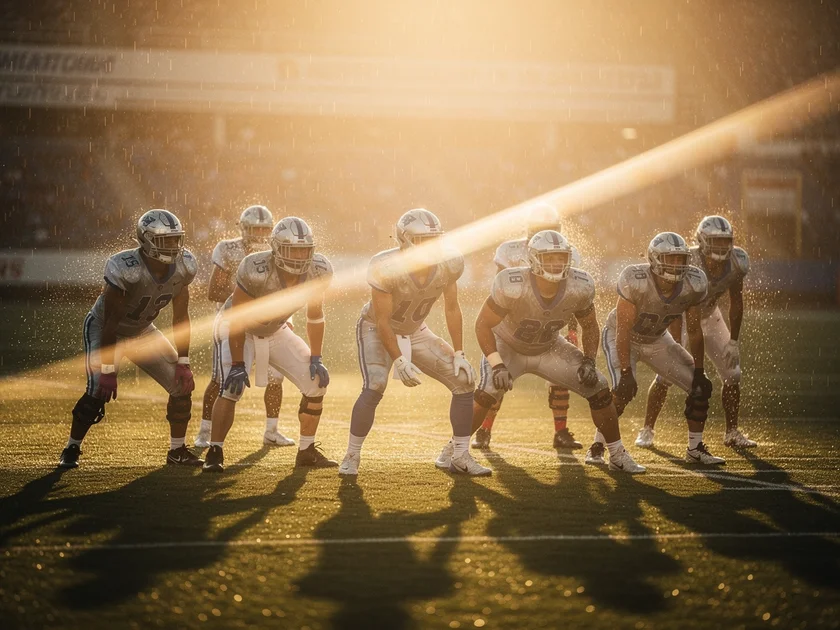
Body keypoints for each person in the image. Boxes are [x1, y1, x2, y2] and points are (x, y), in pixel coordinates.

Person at [472, 230, 645, 474]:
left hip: (548, 347)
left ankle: (616, 453)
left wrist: (588, 360)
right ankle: (455, 451)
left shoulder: (579, 285)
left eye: (560, 257)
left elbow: (590, 326)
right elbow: (483, 324)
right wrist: (497, 363)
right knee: (488, 390)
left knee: (600, 387)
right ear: (533, 259)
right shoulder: (512, 282)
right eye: (549, 258)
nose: (556, 263)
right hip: (508, 345)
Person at [339, 209, 482, 476]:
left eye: (433, 239)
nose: (430, 246)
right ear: (405, 241)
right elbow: (383, 321)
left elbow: (452, 308)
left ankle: (460, 456)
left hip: (415, 329)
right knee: (376, 385)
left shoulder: (449, 262)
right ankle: (351, 454)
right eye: (422, 240)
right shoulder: (387, 266)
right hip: (376, 328)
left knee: (463, 380)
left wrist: (460, 352)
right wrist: (399, 359)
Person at [58, 210, 200, 468]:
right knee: (96, 391)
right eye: (165, 240)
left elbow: (181, 318)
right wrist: (110, 370)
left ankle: (177, 450)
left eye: (175, 239)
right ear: (146, 241)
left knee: (182, 386)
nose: (173, 246)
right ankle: (71, 447)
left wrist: (184, 361)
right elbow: (112, 323)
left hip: (143, 330)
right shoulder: (126, 268)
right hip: (104, 328)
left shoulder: (184, 266)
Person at [202, 217, 335, 472]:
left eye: (304, 249)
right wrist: (239, 363)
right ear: (276, 249)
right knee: (231, 386)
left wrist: (316, 358)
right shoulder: (254, 267)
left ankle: (306, 451)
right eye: (292, 249)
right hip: (238, 327)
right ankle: (214, 451)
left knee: (316, 383)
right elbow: (238, 318)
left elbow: (315, 315)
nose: (299, 256)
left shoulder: (319, 270)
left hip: (276, 329)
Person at [593, 231, 725, 466]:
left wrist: (699, 370)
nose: (676, 264)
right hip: (624, 337)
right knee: (622, 391)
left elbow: (694, 330)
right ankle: (598, 447)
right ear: (654, 259)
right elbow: (623, 330)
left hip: (657, 339)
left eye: (680, 259)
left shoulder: (693, 283)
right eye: (670, 259)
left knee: (700, 389)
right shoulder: (635, 279)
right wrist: (625, 372)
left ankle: (695, 448)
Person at [637, 215, 755, 449]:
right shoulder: (687, 261)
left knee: (733, 374)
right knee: (666, 375)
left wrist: (733, 340)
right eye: (715, 241)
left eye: (725, 241)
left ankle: (732, 432)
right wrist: (676, 343)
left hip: (710, 316)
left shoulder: (737, 262)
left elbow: (736, 301)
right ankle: (647, 429)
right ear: (701, 241)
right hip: (681, 316)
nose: (721, 247)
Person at [473, 203, 583, 450]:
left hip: (548, 328)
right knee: (497, 380)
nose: (547, 234)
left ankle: (561, 431)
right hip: (512, 327)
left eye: (551, 229)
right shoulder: (510, 250)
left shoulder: (568, 253)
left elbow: (572, 296)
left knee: (561, 380)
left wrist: (572, 331)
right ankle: (484, 430)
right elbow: (501, 292)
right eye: (541, 229)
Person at [194, 205, 295, 449]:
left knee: (276, 378)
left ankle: (272, 431)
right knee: (222, 380)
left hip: (271, 321)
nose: (260, 234)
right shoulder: (229, 249)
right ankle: (205, 432)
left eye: (265, 229)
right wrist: (249, 296)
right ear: (243, 229)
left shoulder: (279, 250)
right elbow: (214, 291)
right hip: (234, 319)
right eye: (255, 229)